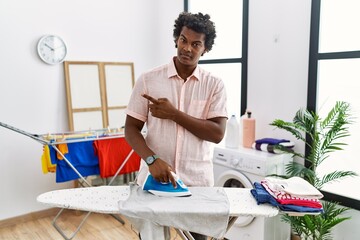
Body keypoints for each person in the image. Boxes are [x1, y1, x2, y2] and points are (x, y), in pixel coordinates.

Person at [125, 12, 228, 240]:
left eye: (195, 44)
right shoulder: (149, 80)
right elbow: (131, 129)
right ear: (176, 39)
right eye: (183, 40)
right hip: (154, 182)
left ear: (205, 49)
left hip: (197, 183)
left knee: (198, 238)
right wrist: (151, 159)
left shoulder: (214, 85)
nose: (187, 48)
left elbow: (217, 133)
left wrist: (174, 114)